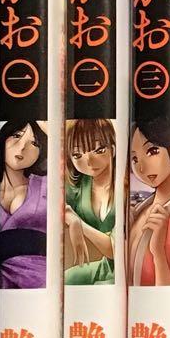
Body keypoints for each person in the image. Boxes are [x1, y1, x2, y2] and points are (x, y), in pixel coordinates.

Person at [63, 119, 116, 285]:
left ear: (113, 148)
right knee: (66, 279)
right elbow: (52, 204)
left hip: (126, 268)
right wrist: (71, 218)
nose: (89, 162)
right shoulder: (79, 185)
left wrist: (79, 224)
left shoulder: (124, 186)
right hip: (105, 266)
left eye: (99, 150)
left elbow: (114, 249)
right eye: (78, 155)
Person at [0, 120, 49, 289]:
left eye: (34, 143)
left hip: (40, 277)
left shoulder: (47, 184)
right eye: (16, 136)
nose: (21, 147)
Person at [127, 118, 170, 286]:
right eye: (134, 159)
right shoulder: (140, 210)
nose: (141, 168)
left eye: (152, 151)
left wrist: (158, 253)